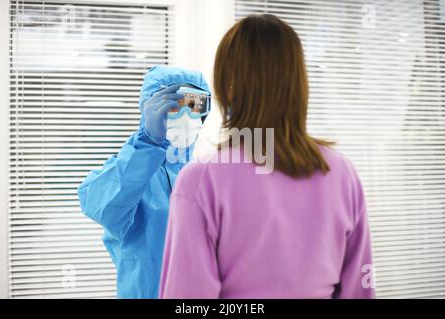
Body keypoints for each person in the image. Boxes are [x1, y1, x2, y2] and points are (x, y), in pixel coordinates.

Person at [159, 15, 376, 299]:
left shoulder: (201, 180)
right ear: (299, 84)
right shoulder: (341, 172)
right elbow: (360, 292)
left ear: (228, 87)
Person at [77, 65, 211, 298]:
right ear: (151, 108)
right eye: (175, 104)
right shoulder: (131, 172)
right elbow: (101, 206)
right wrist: (147, 143)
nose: (188, 116)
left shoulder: (205, 178)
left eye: (196, 106)